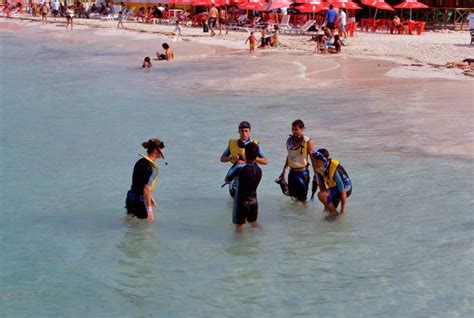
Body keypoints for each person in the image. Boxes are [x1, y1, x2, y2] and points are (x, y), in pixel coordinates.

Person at [220, 121, 268, 197]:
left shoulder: (255, 144)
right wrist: (231, 157)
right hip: (236, 173)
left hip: (250, 174)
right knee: (234, 199)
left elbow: (265, 161)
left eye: (246, 131)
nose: (244, 133)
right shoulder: (232, 143)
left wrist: (250, 158)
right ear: (238, 131)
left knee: (247, 196)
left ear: (250, 131)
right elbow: (222, 159)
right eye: (242, 131)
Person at [224, 143, 262, 233]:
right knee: (253, 223)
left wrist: (236, 164)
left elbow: (227, 180)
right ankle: (264, 235)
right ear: (256, 155)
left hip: (241, 202)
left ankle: (238, 245)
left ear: (246, 154)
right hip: (254, 201)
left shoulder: (240, 168)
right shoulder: (259, 170)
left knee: (239, 227)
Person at [125, 139, 166, 222]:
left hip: (130, 199)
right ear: (155, 150)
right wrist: (149, 209)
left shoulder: (140, 162)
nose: (163, 151)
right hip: (140, 204)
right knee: (146, 230)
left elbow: (139, 183)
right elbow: (146, 188)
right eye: (162, 149)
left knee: (130, 224)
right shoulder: (151, 168)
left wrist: (150, 196)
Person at [279, 119, 317, 202]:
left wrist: (316, 175)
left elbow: (313, 159)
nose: (294, 131)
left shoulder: (307, 141)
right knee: (293, 198)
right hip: (291, 173)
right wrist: (284, 170)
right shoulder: (289, 141)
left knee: (303, 200)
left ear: (302, 129)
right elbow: (289, 156)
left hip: (302, 174)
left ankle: (304, 215)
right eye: (292, 129)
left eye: (296, 129)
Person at [312, 149, 352, 219]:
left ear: (324, 161)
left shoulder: (334, 169)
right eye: (314, 161)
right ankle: (335, 215)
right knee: (326, 212)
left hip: (346, 190)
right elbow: (322, 187)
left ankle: (335, 213)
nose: (315, 163)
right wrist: (326, 204)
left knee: (320, 195)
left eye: (317, 161)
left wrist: (342, 210)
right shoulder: (319, 169)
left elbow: (343, 191)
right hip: (335, 189)